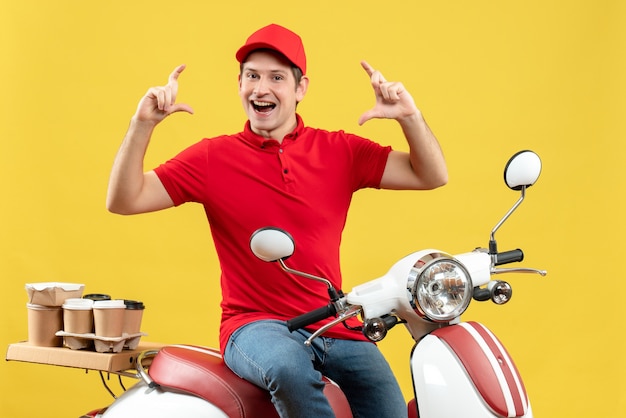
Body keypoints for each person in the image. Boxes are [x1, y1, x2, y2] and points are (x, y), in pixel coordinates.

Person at [107, 23, 447, 418]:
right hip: (254, 326)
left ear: (300, 88)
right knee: (288, 368)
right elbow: (124, 200)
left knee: (385, 400)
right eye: (252, 76)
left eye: (276, 78)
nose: (261, 88)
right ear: (239, 85)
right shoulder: (211, 159)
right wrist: (142, 124)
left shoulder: (340, 151)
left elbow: (431, 175)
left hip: (333, 323)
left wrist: (409, 117)